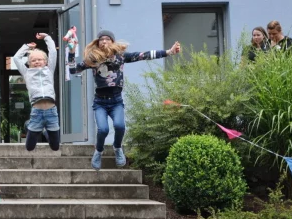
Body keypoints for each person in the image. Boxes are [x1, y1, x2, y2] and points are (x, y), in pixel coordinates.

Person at [68, 30, 180, 171]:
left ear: (112, 42)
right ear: (98, 43)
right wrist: (71, 52)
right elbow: (73, 70)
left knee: (120, 126)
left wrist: (168, 52)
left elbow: (143, 55)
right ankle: (98, 151)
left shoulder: (120, 57)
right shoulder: (93, 59)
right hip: (100, 102)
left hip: (116, 101)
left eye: (107, 39)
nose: (104, 41)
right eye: (101, 39)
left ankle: (117, 147)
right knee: (103, 129)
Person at [12, 33, 60, 151]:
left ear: (45, 61)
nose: (37, 62)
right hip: (36, 112)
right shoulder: (27, 72)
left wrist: (47, 37)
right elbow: (16, 58)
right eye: (33, 60)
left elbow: (53, 52)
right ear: (29, 63)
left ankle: (44, 131)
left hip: (51, 112)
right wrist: (27, 47)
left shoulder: (49, 70)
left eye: (40, 59)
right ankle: (28, 124)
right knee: (29, 147)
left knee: (55, 147)